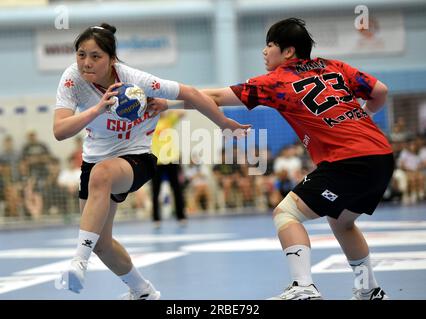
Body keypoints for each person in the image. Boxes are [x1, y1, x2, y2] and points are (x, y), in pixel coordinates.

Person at [149, 18, 394, 300]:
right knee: (342, 222)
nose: (264, 52)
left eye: (269, 45)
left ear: (288, 52)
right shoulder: (334, 67)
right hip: (382, 155)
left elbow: (214, 96)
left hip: (348, 161)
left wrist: (166, 102)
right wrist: (361, 119)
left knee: (286, 213)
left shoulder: (277, 81)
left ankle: (303, 288)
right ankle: (369, 290)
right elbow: (380, 91)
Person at [53, 23, 250, 300]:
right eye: (81, 54)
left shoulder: (135, 80)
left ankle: (78, 261)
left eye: (95, 56)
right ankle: (143, 291)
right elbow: (60, 131)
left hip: (136, 156)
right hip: (94, 158)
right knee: (102, 244)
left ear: (112, 59)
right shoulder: (72, 79)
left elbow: (192, 93)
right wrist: (98, 108)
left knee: (102, 175)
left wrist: (224, 123)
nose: (86, 62)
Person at [150, 110, 187, 228]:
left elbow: (182, 113)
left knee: (177, 189)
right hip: (157, 161)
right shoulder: (151, 121)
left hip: (171, 159)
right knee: (155, 191)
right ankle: (156, 218)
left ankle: (181, 216)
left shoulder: (169, 120)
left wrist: (167, 108)